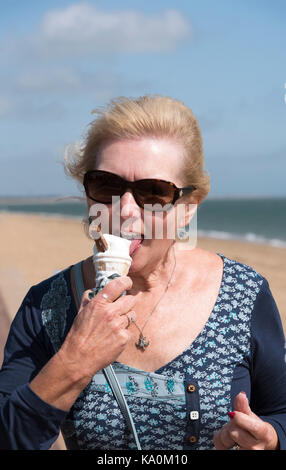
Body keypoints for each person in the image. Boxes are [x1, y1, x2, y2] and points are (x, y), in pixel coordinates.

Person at [0, 95, 285, 451]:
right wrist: (74, 361)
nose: (125, 210)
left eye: (154, 192)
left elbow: (280, 411)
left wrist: (270, 439)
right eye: (106, 186)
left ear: (187, 211)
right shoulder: (46, 306)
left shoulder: (243, 295)